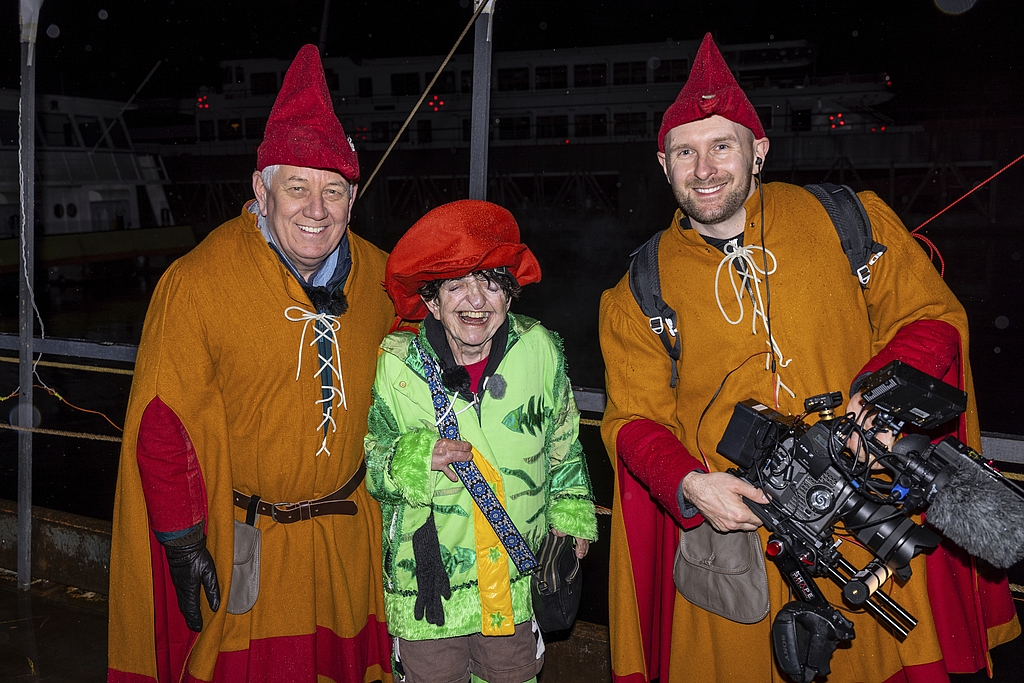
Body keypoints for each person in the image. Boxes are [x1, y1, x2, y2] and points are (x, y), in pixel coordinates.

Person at [599, 33, 1020, 683]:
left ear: (758, 151)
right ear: (663, 165)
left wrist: (874, 395)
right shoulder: (637, 288)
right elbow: (631, 419)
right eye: (685, 151)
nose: (704, 168)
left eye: (721, 146)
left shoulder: (851, 220)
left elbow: (934, 319)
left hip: (859, 520)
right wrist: (693, 484)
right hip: (733, 540)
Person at [107, 45, 395, 682]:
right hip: (246, 551)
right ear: (260, 191)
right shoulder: (198, 283)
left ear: (353, 197)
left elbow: (435, 365)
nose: (316, 210)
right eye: (296, 188)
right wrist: (183, 543)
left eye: (334, 191)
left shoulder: (381, 278)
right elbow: (163, 422)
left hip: (349, 547)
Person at [365, 199, 598, 683]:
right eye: (456, 285)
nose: (476, 300)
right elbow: (373, 461)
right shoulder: (396, 365)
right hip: (431, 592)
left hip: (514, 584)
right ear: (431, 300)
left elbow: (565, 444)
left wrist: (572, 517)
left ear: (510, 294)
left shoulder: (541, 349)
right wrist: (412, 457)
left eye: (491, 282)